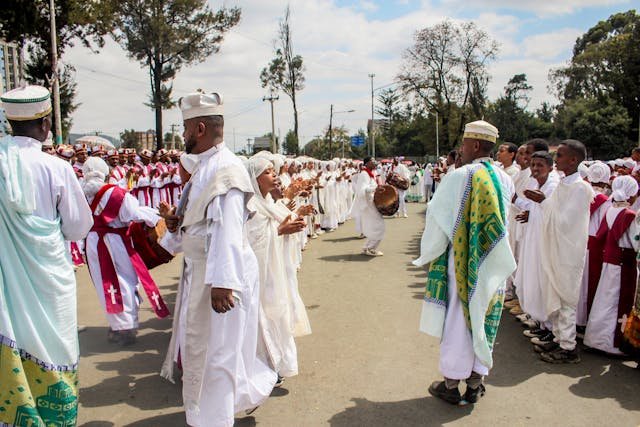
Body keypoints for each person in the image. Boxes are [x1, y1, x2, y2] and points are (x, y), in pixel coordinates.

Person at [159, 91, 276, 427]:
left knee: (217, 356)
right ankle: (211, 415)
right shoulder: (205, 168)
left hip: (220, 278)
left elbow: (226, 229)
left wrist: (223, 282)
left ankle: (214, 421)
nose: (181, 137)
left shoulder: (225, 168)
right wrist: (176, 226)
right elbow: (200, 223)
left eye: (184, 130)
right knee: (207, 353)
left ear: (198, 129)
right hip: (204, 273)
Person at [0, 85, 93, 426]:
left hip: (6, 282)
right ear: (45, 125)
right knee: (56, 351)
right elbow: (79, 227)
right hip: (50, 280)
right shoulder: (56, 169)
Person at [413, 120, 515, 405]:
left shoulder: (462, 175)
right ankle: (475, 383)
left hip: (462, 262)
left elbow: (437, 216)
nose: (461, 149)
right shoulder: (504, 177)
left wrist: (429, 252)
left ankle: (450, 384)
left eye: (464, 144)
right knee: (484, 316)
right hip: (491, 259)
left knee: (458, 318)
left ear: (476, 145)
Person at [82, 157, 170, 346]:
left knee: (104, 283)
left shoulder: (78, 192)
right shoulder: (115, 193)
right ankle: (126, 328)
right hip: (116, 242)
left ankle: (117, 325)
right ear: (105, 172)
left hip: (93, 243)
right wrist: (156, 216)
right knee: (125, 281)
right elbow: (133, 213)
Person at [245, 156, 309, 385]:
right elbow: (250, 242)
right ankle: (266, 368)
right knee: (264, 319)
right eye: (268, 172)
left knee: (278, 314)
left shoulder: (269, 204)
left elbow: (278, 223)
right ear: (255, 178)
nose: (275, 176)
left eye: (274, 171)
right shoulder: (251, 206)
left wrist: (291, 224)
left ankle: (277, 364)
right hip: (260, 276)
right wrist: (281, 231)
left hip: (274, 271)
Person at [538, 140, 594, 364]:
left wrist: (544, 203)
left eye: (560, 155)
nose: (556, 158)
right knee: (556, 296)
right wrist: (544, 202)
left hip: (569, 251)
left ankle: (569, 348)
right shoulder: (563, 183)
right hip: (557, 248)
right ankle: (559, 337)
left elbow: (565, 221)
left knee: (567, 300)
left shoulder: (581, 188)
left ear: (573, 160)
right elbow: (553, 211)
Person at [584, 175, 639, 355]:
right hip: (624, 263)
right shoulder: (630, 215)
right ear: (632, 195)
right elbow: (635, 242)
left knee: (605, 300)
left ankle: (596, 338)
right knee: (617, 302)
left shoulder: (611, 210)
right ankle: (612, 344)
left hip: (610, 262)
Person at [512, 151, 559, 340]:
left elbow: (557, 214)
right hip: (532, 240)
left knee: (544, 283)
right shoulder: (535, 183)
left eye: (540, 165)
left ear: (550, 167)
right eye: (533, 165)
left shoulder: (554, 186)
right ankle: (541, 322)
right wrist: (520, 203)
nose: (536, 169)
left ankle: (550, 327)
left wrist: (541, 203)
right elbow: (532, 208)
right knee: (533, 281)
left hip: (546, 244)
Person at [353, 157, 386, 256]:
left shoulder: (370, 173)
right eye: (372, 161)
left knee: (375, 226)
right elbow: (362, 190)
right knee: (379, 225)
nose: (375, 163)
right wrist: (376, 188)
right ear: (367, 164)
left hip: (372, 203)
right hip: (368, 204)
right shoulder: (364, 174)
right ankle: (371, 248)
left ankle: (367, 247)